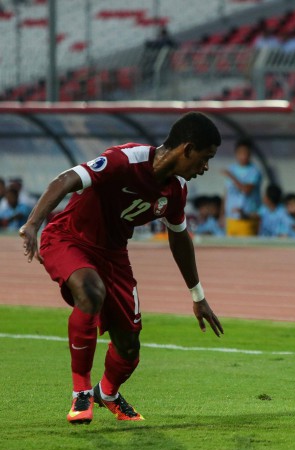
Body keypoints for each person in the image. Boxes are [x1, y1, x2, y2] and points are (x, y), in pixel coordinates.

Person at [18, 112, 224, 424]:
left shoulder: (176, 191)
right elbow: (65, 180)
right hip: (69, 238)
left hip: (113, 256)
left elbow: (180, 239)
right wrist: (33, 224)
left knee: (129, 348)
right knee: (90, 292)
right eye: (205, 158)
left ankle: (107, 393)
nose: (205, 169)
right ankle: (81, 393)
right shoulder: (124, 160)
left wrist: (198, 296)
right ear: (187, 148)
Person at [223, 138, 262, 236]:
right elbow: (226, 193)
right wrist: (221, 214)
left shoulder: (254, 171)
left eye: (246, 153)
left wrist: (231, 176)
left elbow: (247, 190)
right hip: (231, 218)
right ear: (236, 153)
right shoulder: (232, 168)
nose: (243, 156)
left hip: (247, 218)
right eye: (241, 153)